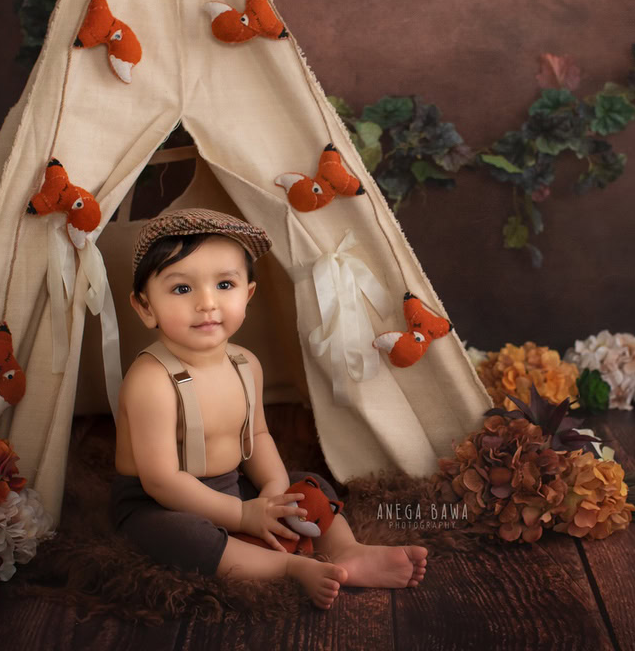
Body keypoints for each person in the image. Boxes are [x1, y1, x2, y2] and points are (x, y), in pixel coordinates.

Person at [108, 207, 428, 609]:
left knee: (306, 484)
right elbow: (162, 481)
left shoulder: (245, 364)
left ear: (248, 294)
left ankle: (347, 548)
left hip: (232, 484)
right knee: (180, 536)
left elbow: (257, 436)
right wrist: (243, 516)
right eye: (182, 289)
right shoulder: (150, 381)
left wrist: (274, 492)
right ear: (145, 307)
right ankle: (290, 569)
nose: (207, 303)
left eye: (225, 284)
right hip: (155, 503)